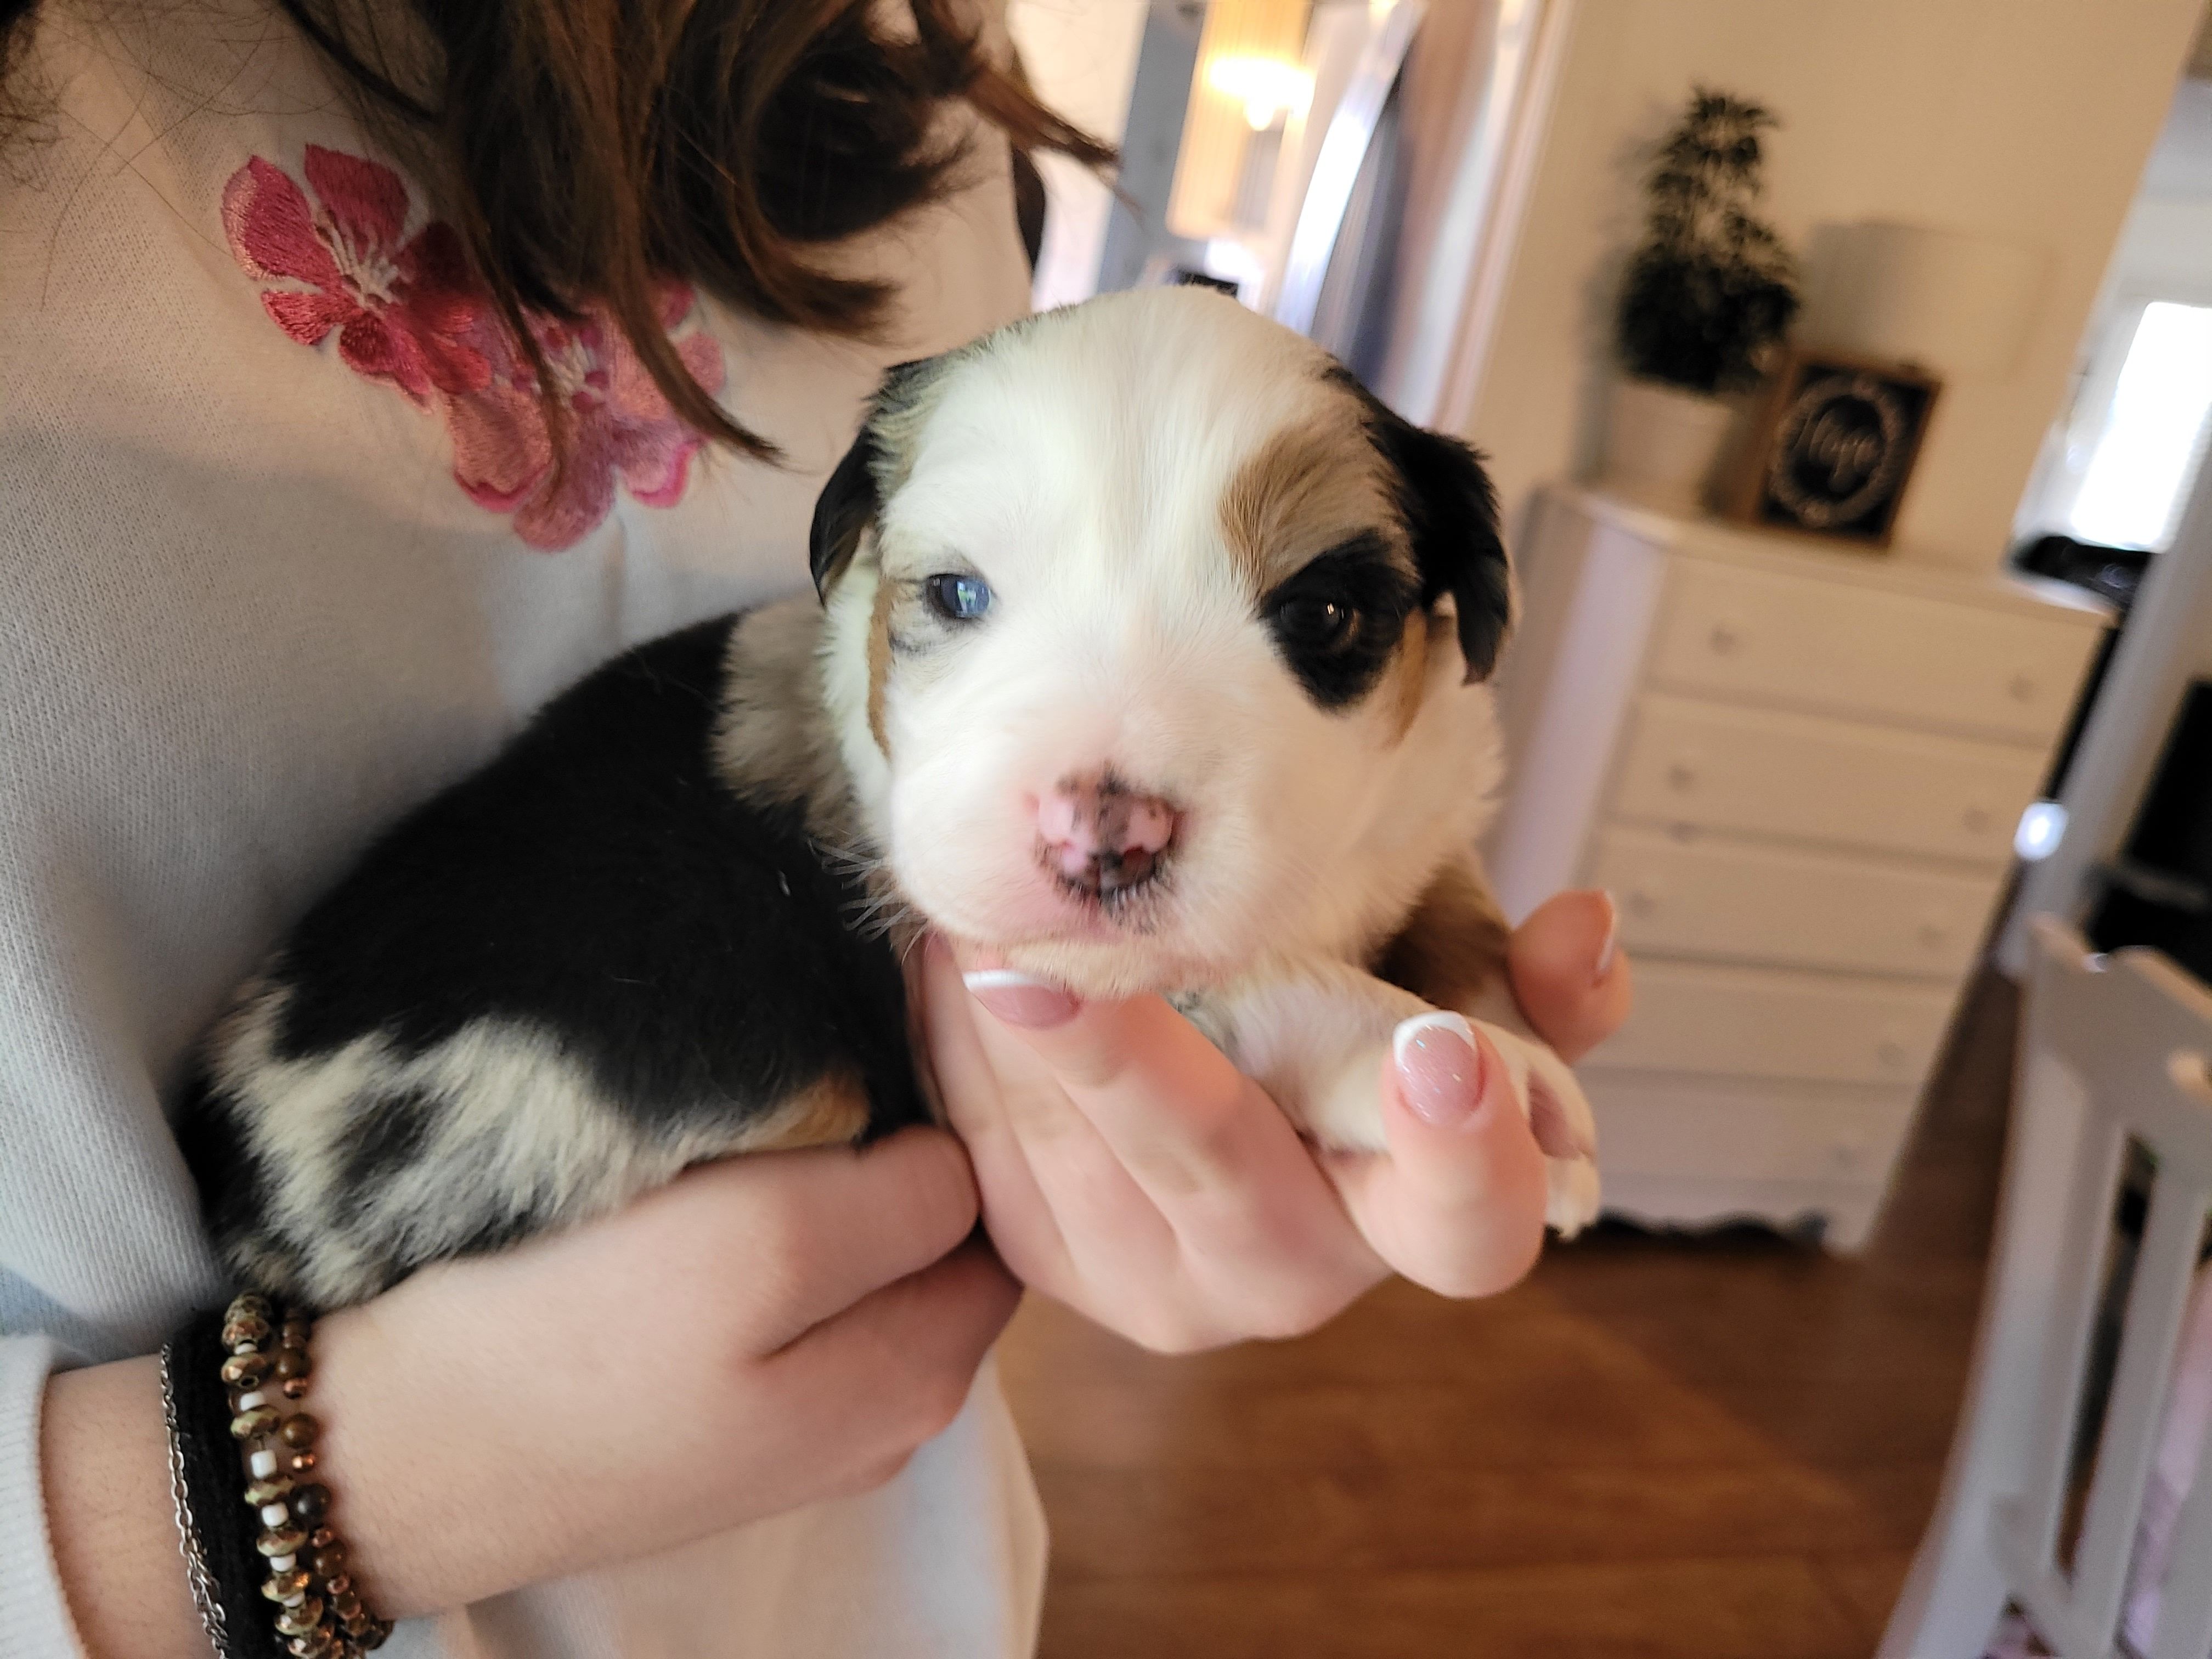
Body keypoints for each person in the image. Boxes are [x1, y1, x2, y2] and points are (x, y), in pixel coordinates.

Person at [0, 2, 1632, 1655]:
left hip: (886, 1577)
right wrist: (276, 1497)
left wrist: (1337, 1038)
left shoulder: (907, 58)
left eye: (1326, 621)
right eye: (964, 597)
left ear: (1453, 628)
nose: (1107, 814)